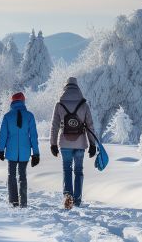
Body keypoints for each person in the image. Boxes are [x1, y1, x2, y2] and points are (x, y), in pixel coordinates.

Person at [49, 77, 97, 209]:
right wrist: (92, 144)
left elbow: (55, 126)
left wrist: (53, 144)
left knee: (67, 170)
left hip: (65, 143)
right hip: (80, 143)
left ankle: (68, 197)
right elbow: (90, 125)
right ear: (77, 88)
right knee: (79, 171)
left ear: (65, 88)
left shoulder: (59, 105)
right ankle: (77, 200)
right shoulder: (84, 105)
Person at [0, 92, 40, 208]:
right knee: (22, 176)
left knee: (11, 175)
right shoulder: (29, 116)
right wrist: (36, 153)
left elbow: (3, 135)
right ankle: (23, 202)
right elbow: (34, 136)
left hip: (11, 151)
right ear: (23, 101)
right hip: (25, 151)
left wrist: (0, 150)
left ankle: (13, 201)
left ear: (12, 102)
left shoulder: (7, 116)